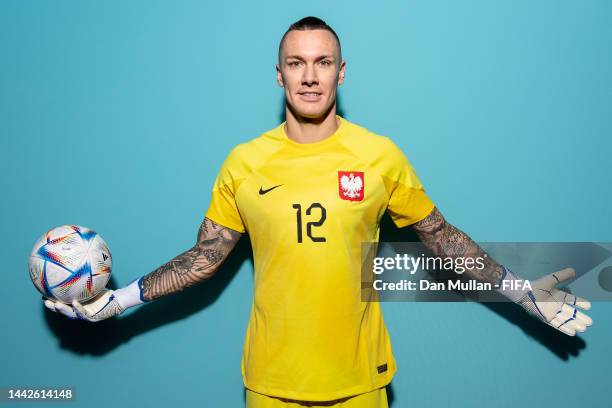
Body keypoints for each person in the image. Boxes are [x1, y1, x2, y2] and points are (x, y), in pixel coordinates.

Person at [44, 16, 593, 408]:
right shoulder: (244, 162)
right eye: (296, 63)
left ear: (342, 72)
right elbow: (205, 259)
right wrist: (117, 300)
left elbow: (441, 236)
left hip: (360, 382)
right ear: (278, 74)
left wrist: (522, 292)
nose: (310, 75)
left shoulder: (380, 155)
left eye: (323, 62)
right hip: (270, 383)